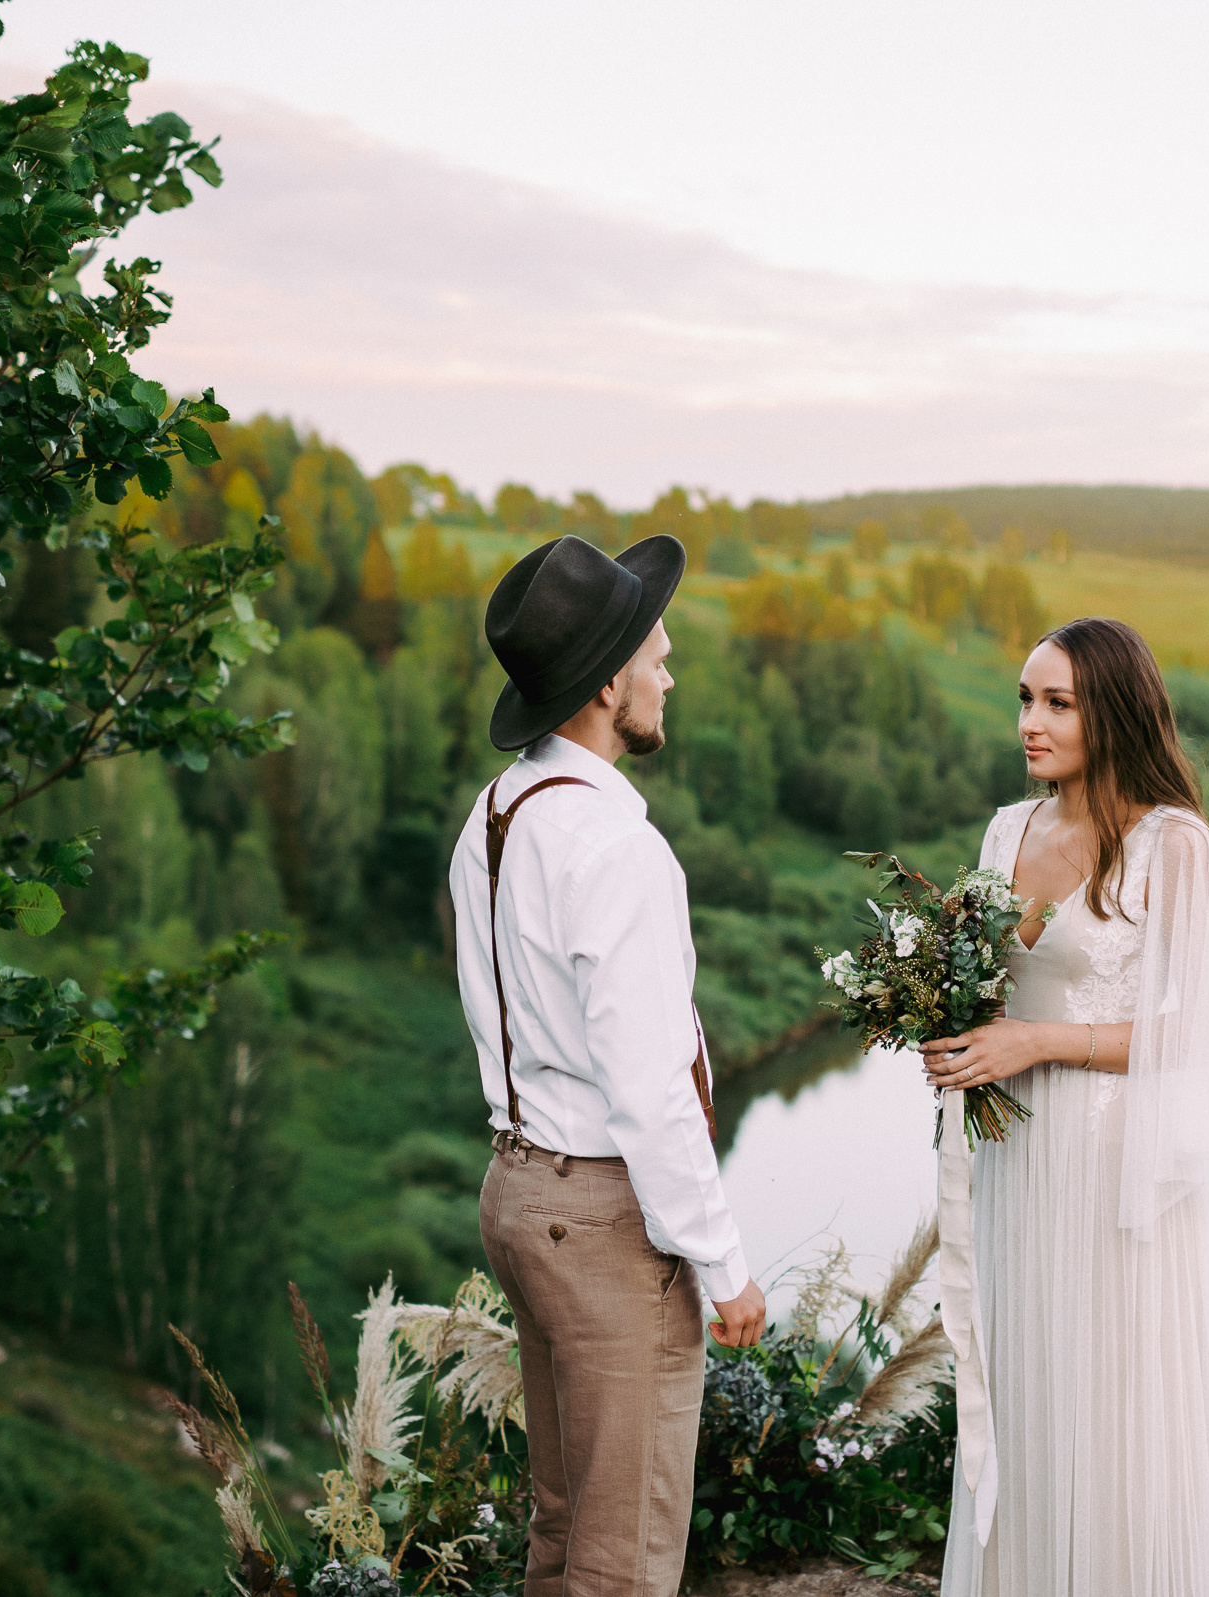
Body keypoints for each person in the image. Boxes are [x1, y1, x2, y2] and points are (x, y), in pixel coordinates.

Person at [921, 615, 1209, 1596]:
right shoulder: (1009, 829)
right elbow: (990, 983)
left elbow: (1205, 1037)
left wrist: (1038, 1040)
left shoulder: (1176, 846)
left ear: (1113, 712)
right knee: (1028, 1387)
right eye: (1025, 699)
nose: (1030, 722)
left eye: (1058, 702)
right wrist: (951, 1022)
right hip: (1016, 1158)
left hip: (1115, 1166)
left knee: (1113, 1397)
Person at [450, 533, 769, 1597]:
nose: (670, 673)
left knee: (564, 1525)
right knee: (624, 1557)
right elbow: (648, 1090)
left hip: (516, 1189)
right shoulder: (615, 847)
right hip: (598, 1218)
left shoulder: (494, 816)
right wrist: (722, 1265)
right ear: (605, 685)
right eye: (658, 657)